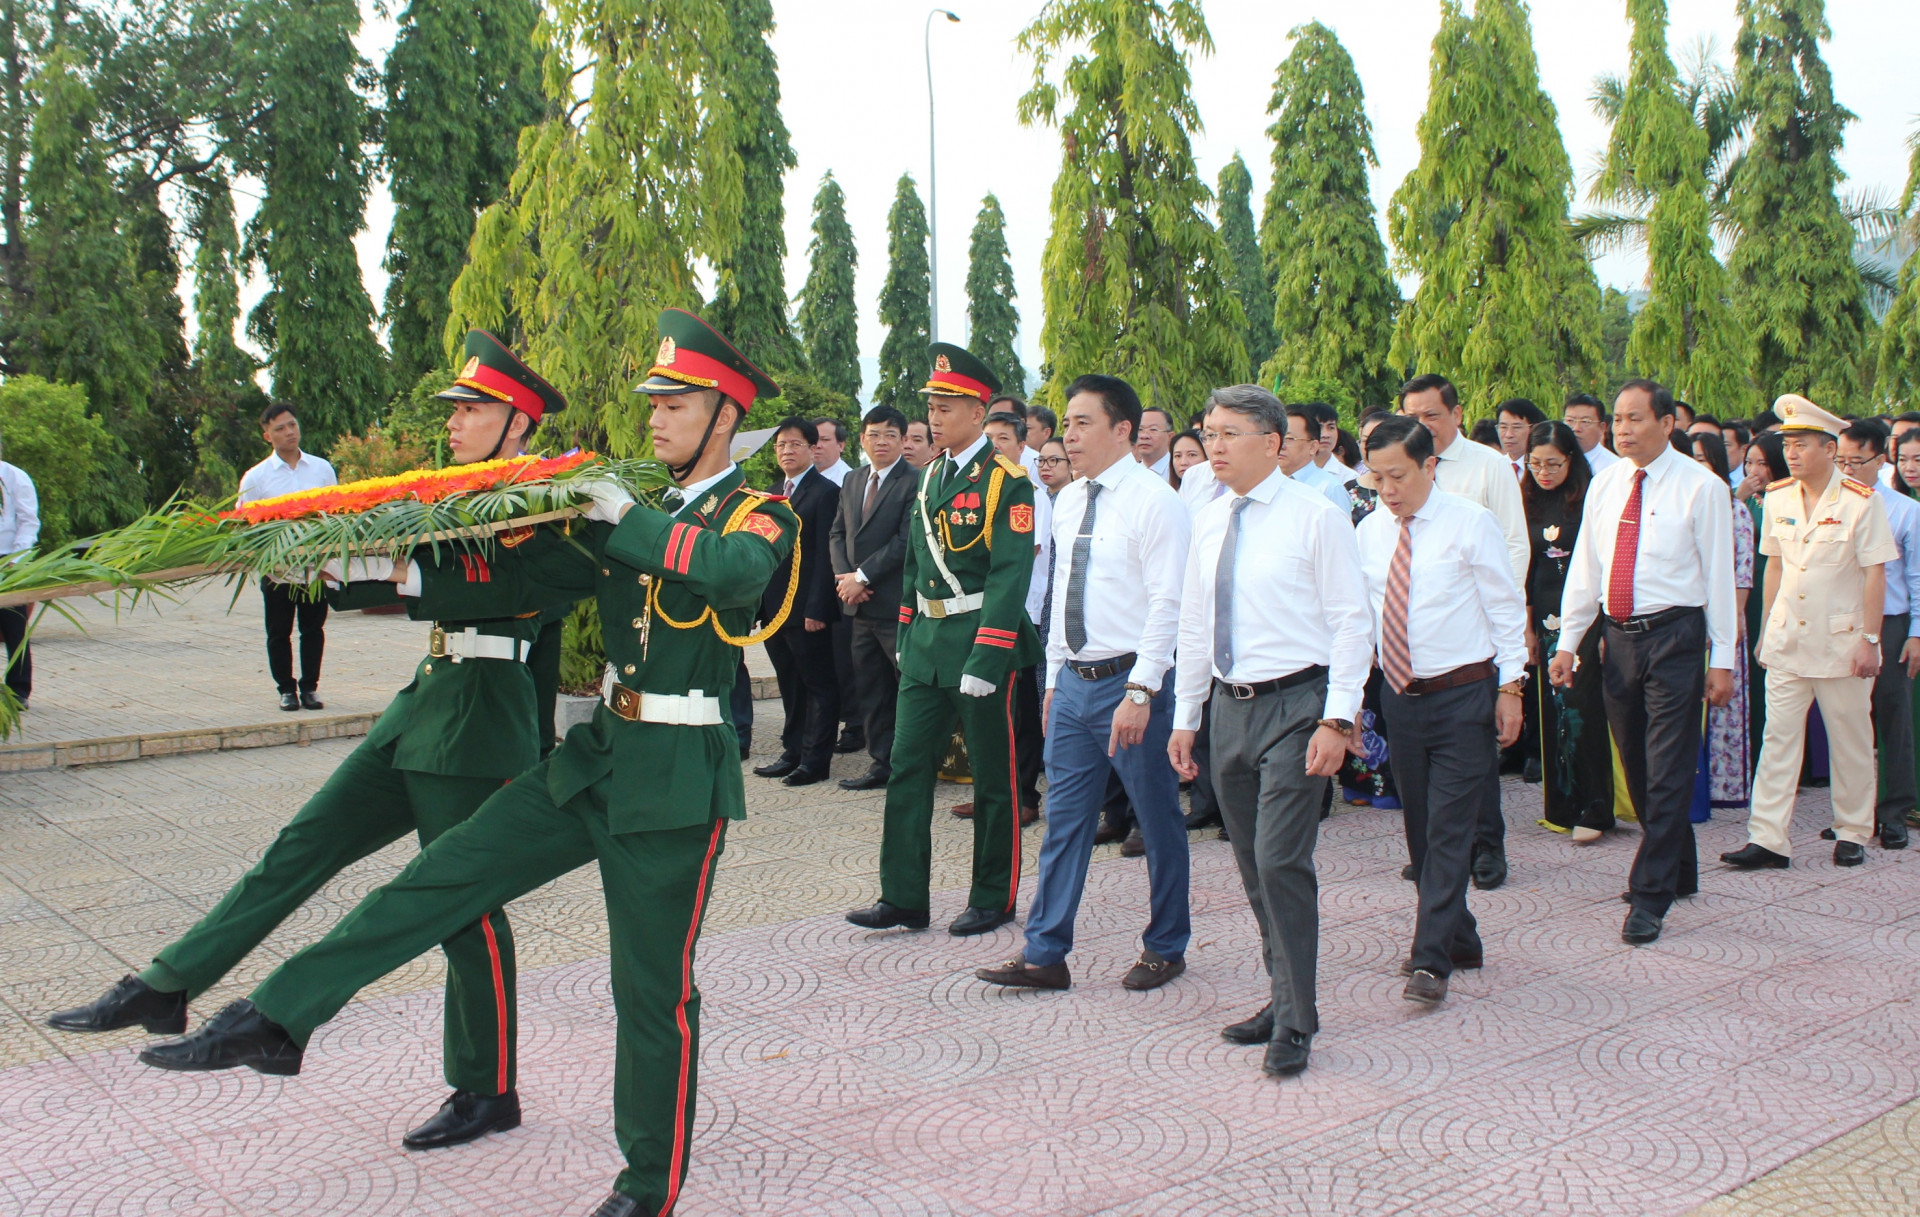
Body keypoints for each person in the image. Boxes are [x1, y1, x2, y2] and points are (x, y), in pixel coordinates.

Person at [129, 309, 798, 1217]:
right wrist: (367, 557)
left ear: (726, 414)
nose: (655, 417)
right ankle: (278, 1017)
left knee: (650, 996)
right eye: (653, 402)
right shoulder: (630, 504)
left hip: (676, 782)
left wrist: (626, 517)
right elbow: (518, 582)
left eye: (675, 402)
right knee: (441, 877)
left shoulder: (760, 513)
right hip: (597, 754)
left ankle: (647, 1188)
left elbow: (731, 577)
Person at [49, 331, 576, 1151]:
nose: (453, 424)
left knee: (460, 913)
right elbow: (396, 571)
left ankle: (487, 1086)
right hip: (424, 705)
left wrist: (384, 568)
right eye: (456, 410)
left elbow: (518, 588)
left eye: (471, 411)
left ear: (518, 422)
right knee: (301, 844)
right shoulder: (448, 497)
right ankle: (168, 981)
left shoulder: (548, 502)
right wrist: (312, 552)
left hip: (478, 720)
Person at [1169, 385, 1370, 1079]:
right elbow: (1195, 623)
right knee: (1254, 865)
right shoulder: (1209, 519)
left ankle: (1296, 1019)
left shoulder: (1317, 518)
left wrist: (1339, 719)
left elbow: (1351, 621)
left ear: (1273, 442)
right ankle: (1279, 994)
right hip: (1230, 709)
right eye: (1209, 432)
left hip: (1298, 706)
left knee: (1284, 860)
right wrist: (1186, 716)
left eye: (1228, 433)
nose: (1214, 446)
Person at [975, 373, 1192, 992]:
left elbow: (1167, 605)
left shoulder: (1157, 503)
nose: (1067, 434)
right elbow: (1065, 594)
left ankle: (1166, 943)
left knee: (1155, 820)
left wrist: (1142, 691)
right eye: (1065, 423)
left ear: (1122, 429)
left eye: (1081, 423)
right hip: (1072, 684)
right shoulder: (1069, 500)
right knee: (1065, 820)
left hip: (1132, 683)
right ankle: (1045, 953)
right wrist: (1051, 681)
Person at [846, 344, 1040, 937]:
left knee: (992, 776)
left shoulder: (1007, 480)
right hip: (927, 644)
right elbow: (914, 567)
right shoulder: (930, 474)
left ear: (978, 412)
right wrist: (906, 629)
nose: (933, 416)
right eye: (930, 404)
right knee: (907, 769)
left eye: (946, 405)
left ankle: (992, 896)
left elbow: (1011, 575)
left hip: (981, 644)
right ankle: (903, 895)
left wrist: (989, 653)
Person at [1550, 379, 1736, 946]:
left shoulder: (1701, 488)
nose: (1625, 429)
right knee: (1637, 761)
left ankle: (1650, 895)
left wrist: (1722, 658)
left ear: (1666, 424)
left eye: (1636, 419)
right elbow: (1587, 567)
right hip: (1618, 638)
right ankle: (1680, 868)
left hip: (1676, 635)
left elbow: (1720, 577)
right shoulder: (1606, 484)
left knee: (1669, 761)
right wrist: (1568, 641)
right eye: (1619, 420)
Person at [1357, 416, 1526, 1005]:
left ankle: (1431, 958)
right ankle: (1462, 937)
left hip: (1464, 695)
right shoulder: (1371, 532)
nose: (1388, 489)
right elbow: (1361, 625)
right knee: (1420, 833)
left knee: (1451, 828)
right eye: (1377, 477)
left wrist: (1512, 688)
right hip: (1401, 699)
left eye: (1397, 475)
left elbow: (1506, 612)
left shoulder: (1470, 524)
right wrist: (1351, 702)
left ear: (1430, 465)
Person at [1724, 396, 1897, 871]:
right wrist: (1764, 631)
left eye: (1801, 444)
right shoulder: (1777, 497)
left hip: (1842, 641)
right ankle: (1768, 838)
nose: (1792, 453)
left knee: (1851, 738)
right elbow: (1774, 566)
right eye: (1788, 445)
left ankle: (1853, 830)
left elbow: (1875, 575)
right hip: (1788, 640)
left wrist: (1871, 640)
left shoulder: (1863, 503)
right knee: (1777, 738)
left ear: (1828, 448)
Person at [1397, 374, 1527, 889]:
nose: (1421, 424)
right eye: (1412, 416)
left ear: (1455, 413)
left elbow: (1514, 545)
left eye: (1430, 415)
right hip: (1417, 644)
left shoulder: (1488, 465)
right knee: (1424, 765)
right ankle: (1434, 849)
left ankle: (1487, 847)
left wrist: (1501, 623)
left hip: (1475, 635)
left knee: (1473, 754)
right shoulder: (1397, 468)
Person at [1521, 421, 1613, 840]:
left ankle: (1595, 808)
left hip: (1586, 615)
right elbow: (1524, 568)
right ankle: (1561, 805)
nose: (1544, 472)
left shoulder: (1593, 498)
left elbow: (1603, 565)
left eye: (1553, 463)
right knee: (1551, 709)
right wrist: (1526, 628)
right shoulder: (1525, 502)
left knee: (1580, 705)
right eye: (1535, 463)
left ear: (1571, 460)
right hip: (1543, 616)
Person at [1838, 422, 1919, 849]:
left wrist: (1916, 633)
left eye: (1856, 461)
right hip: (1841, 621)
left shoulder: (1905, 511)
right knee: (1848, 720)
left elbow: (1916, 577)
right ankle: (1852, 816)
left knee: (1893, 716)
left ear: (1880, 460)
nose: (1847, 469)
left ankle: (1894, 812)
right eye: (1841, 461)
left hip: (1889, 624)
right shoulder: (1830, 504)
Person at [830, 406, 916, 792]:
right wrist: (847, 578)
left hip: (895, 601)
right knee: (871, 687)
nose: (880, 441)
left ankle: (912, 765)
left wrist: (863, 576)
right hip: (858, 604)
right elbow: (837, 533)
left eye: (889, 435)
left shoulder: (915, 480)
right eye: (873, 434)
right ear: (862, 439)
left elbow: (906, 540)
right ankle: (881, 763)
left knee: (905, 688)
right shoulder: (852, 479)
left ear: (902, 440)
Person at [752, 417, 841, 787]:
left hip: (806, 609)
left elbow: (825, 555)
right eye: (780, 446)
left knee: (818, 684)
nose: (787, 451)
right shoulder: (770, 494)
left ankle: (816, 759)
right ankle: (793, 751)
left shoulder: (824, 492)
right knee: (789, 682)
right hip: (774, 609)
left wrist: (818, 608)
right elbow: (760, 553)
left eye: (794, 444)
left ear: (811, 449)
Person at [238, 402, 338, 710]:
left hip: (315, 568)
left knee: (312, 629)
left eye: (292, 425)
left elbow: (336, 514)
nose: (288, 432)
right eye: (280, 428)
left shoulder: (321, 468)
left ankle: (310, 688)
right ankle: (285, 689)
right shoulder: (256, 478)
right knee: (278, 632)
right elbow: (246, 525)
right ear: (267, 435)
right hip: (277, 569)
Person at [1687, 431, 1755, 820]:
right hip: (1688, 618)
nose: (1697, 467)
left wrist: (1736, 617)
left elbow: (1742, 571)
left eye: (1703, 459)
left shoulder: (1734, 509)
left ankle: (1725, 788)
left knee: (1722, 707)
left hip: (1724, 620)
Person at [985, 409, 1048, 824]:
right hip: (984, 613)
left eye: (1003, 440)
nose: (994, 448)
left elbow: (1028, 552)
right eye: (987, 439)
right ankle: (993, 793)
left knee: (1021, 713)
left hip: (1021, 615)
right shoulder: (973, 489)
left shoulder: (1027, 492)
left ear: (1022, 446)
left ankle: (1025, 796)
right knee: (989, 711)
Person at [1740, 432, 1790, 763]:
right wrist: (1738, 496)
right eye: (1749, 463)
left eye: (1763, 463)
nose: (1755, 470)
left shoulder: (1787, 500)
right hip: (1748, 592)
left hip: (1778, 590)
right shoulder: (1745, 499)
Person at [0, 432, 41, 708]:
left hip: (8, 560)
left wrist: (17, 560)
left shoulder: (15, 477)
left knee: (14, 626)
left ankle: (18, 689)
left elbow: (28, 521)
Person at [1280, 403, 1353, 514]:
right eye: (1278, 438)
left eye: (1290, 438)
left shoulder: (1330, 489)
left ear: (1313, 446)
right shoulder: (1268, 483)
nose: (1281, 445)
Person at [1564, 394, 1619, 476]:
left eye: (1585, 421)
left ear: (1601, 428)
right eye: (1570, 421)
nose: (1576, 428)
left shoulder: (1614, 468)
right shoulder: (1554, 461)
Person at [1496, 398, 1547, 480]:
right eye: (1503, 427)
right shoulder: (1495, 466)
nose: (1509, 434)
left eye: (1516, 427)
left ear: (1533, 428)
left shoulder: (1542, 470)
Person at [1306, 402, 1356, 482]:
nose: (1325, 435)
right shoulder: (1289, 471)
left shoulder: (1350, 478)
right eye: (1319, 427)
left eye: (1331, 427)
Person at [1135, 406, 1176, 477]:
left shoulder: (1178, 471)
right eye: (1140, 429)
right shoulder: (1131, 473)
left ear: (1170, 437)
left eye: (1153, 429)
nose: (1144, 436)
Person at [811, 416, 852, 485]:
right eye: (813, 439)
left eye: (825, 439)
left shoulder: (850, 482)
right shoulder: (798, 476)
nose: (817, 445)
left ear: (841, 446)